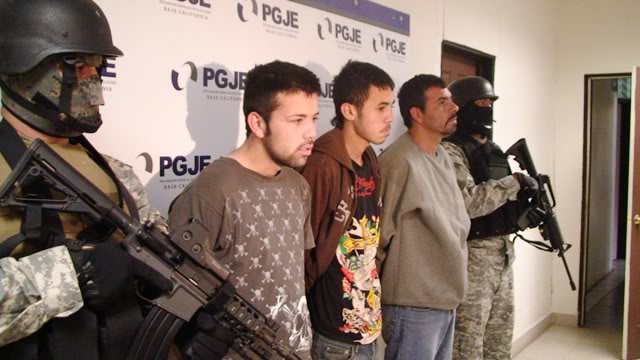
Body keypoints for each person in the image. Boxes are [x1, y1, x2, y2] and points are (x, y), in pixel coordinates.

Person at [0, 0, 172, 357]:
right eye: (76, 66)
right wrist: (73, 273)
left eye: (98, 66)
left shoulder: (115, 170)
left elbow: (156, 249)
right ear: (19, 69)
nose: (93, 81)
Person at [168, 60, 321, 359]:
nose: (311, 132)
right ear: (258, 123)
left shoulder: (297, 185)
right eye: (297, 120)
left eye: (314, 118)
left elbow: (291, 277)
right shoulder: (212, 190)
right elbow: (176, 294)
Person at [300, 61, 394, 359]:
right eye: (380, 108)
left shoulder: (370, 159)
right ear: (349, 111)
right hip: (333, 337)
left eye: (390, 106)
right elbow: (303, 253)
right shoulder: (322, 165)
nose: (390, 116)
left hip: (367, 329)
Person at [441, 76, 538, 360]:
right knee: (467, 348)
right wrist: (514, 183)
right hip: (472, 260)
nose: (487, 108)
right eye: (481, 103)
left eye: (490, 102)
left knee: (499, 343)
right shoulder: (450, 150)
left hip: (503, 256)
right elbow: (467, 203)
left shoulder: (494, 151)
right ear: (462, 108)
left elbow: (503, 199)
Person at [377, 74, 470, 360]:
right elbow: (376, 239)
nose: (454, 107)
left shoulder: (441, 155)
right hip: (413, 307)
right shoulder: (398, 162)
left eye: (451, 101)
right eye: (442, 102)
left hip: (444, 301)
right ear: (417, 114)